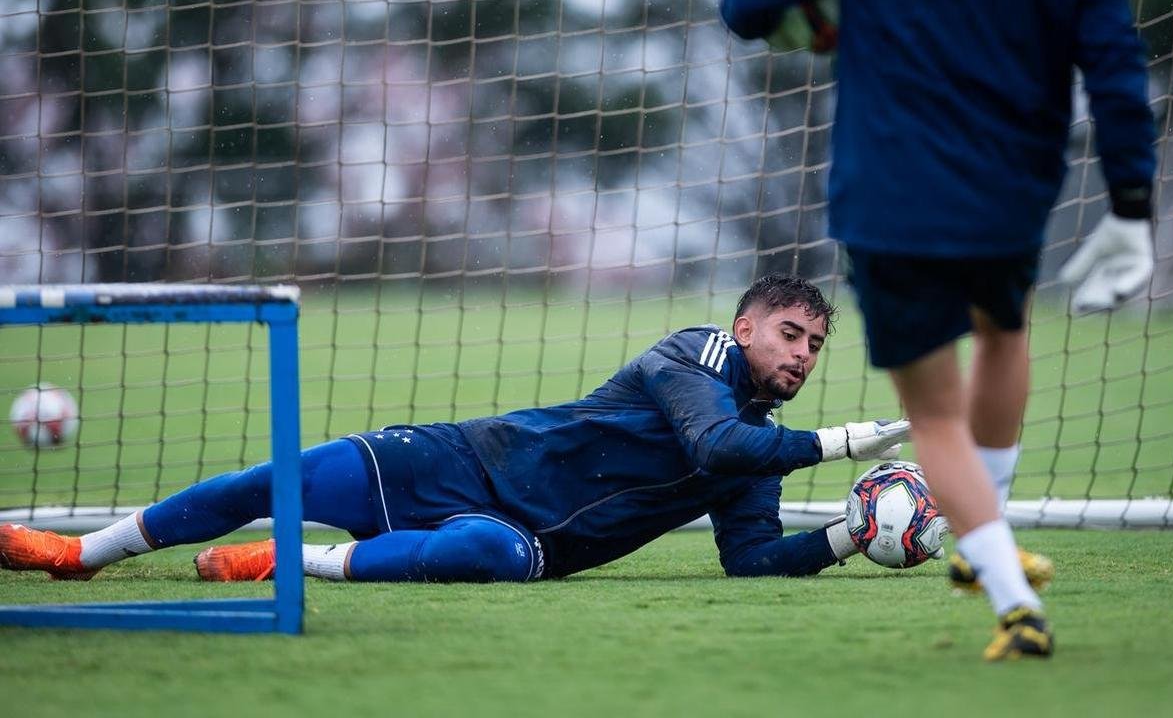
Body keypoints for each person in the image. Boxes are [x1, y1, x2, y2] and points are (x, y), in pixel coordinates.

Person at [721, 0, 1156, 660]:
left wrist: (823, 10)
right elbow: (1116, 70)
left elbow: (747, 6)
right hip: (1010, 185)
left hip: (888, 193)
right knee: (1003, 333)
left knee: (932, 414)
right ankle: (988, 541)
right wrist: (1131, 204)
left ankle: (1012, 599)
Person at [1, 275, 915, 586]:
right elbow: (711, 443)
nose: (801, 355)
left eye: (814, 345)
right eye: (788, 334)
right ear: (746, 327)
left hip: (528, 539)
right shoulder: (694, 353)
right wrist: (842, 442)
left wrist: (849, 535)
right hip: (464, 457)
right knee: (280, 478)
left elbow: (749, 559)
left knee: (484, 553)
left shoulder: (763, 444)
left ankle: (288, 561)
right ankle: (84, 554)